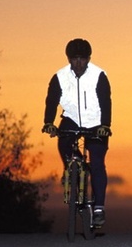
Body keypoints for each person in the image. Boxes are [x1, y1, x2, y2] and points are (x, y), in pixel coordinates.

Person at [41, 38, 113, 228]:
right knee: (64, 143)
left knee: (97, 161)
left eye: (82, 59)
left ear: (89, 59)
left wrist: (105, 124)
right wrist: (48, 122)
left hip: (96, 122)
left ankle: (98, 208)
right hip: (71, 119)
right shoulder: (59, 77)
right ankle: (73, 175)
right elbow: (51, 101)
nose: (78, 63)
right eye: (74, 59)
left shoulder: (99, 75)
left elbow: (106, 101)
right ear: (69, 59)